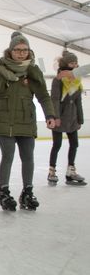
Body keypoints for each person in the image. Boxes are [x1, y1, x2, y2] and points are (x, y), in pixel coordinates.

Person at [0, 31, 56, 211]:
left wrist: (50, 115)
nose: (21, 53)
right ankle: (4, 193)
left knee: (28, 156)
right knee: (8, 155)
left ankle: (27, 192)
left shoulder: (33, 71)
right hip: (3, 119)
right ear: (10, 51)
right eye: (17, 50)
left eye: (25, 50)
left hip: (26, 119)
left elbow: (44, 96)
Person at [48, 50, 86, 186]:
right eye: (72, 63)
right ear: (65, 64)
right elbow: (55, 100)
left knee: (74, 144)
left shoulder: (77, 80)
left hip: (72, 118)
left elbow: (78, 101)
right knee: (57, 145)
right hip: (59, 118)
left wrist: (80, 119)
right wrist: (55, 117)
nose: (75, 65)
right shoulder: (58, 80)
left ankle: (71, 170)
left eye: (76, 63)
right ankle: (51, 171)